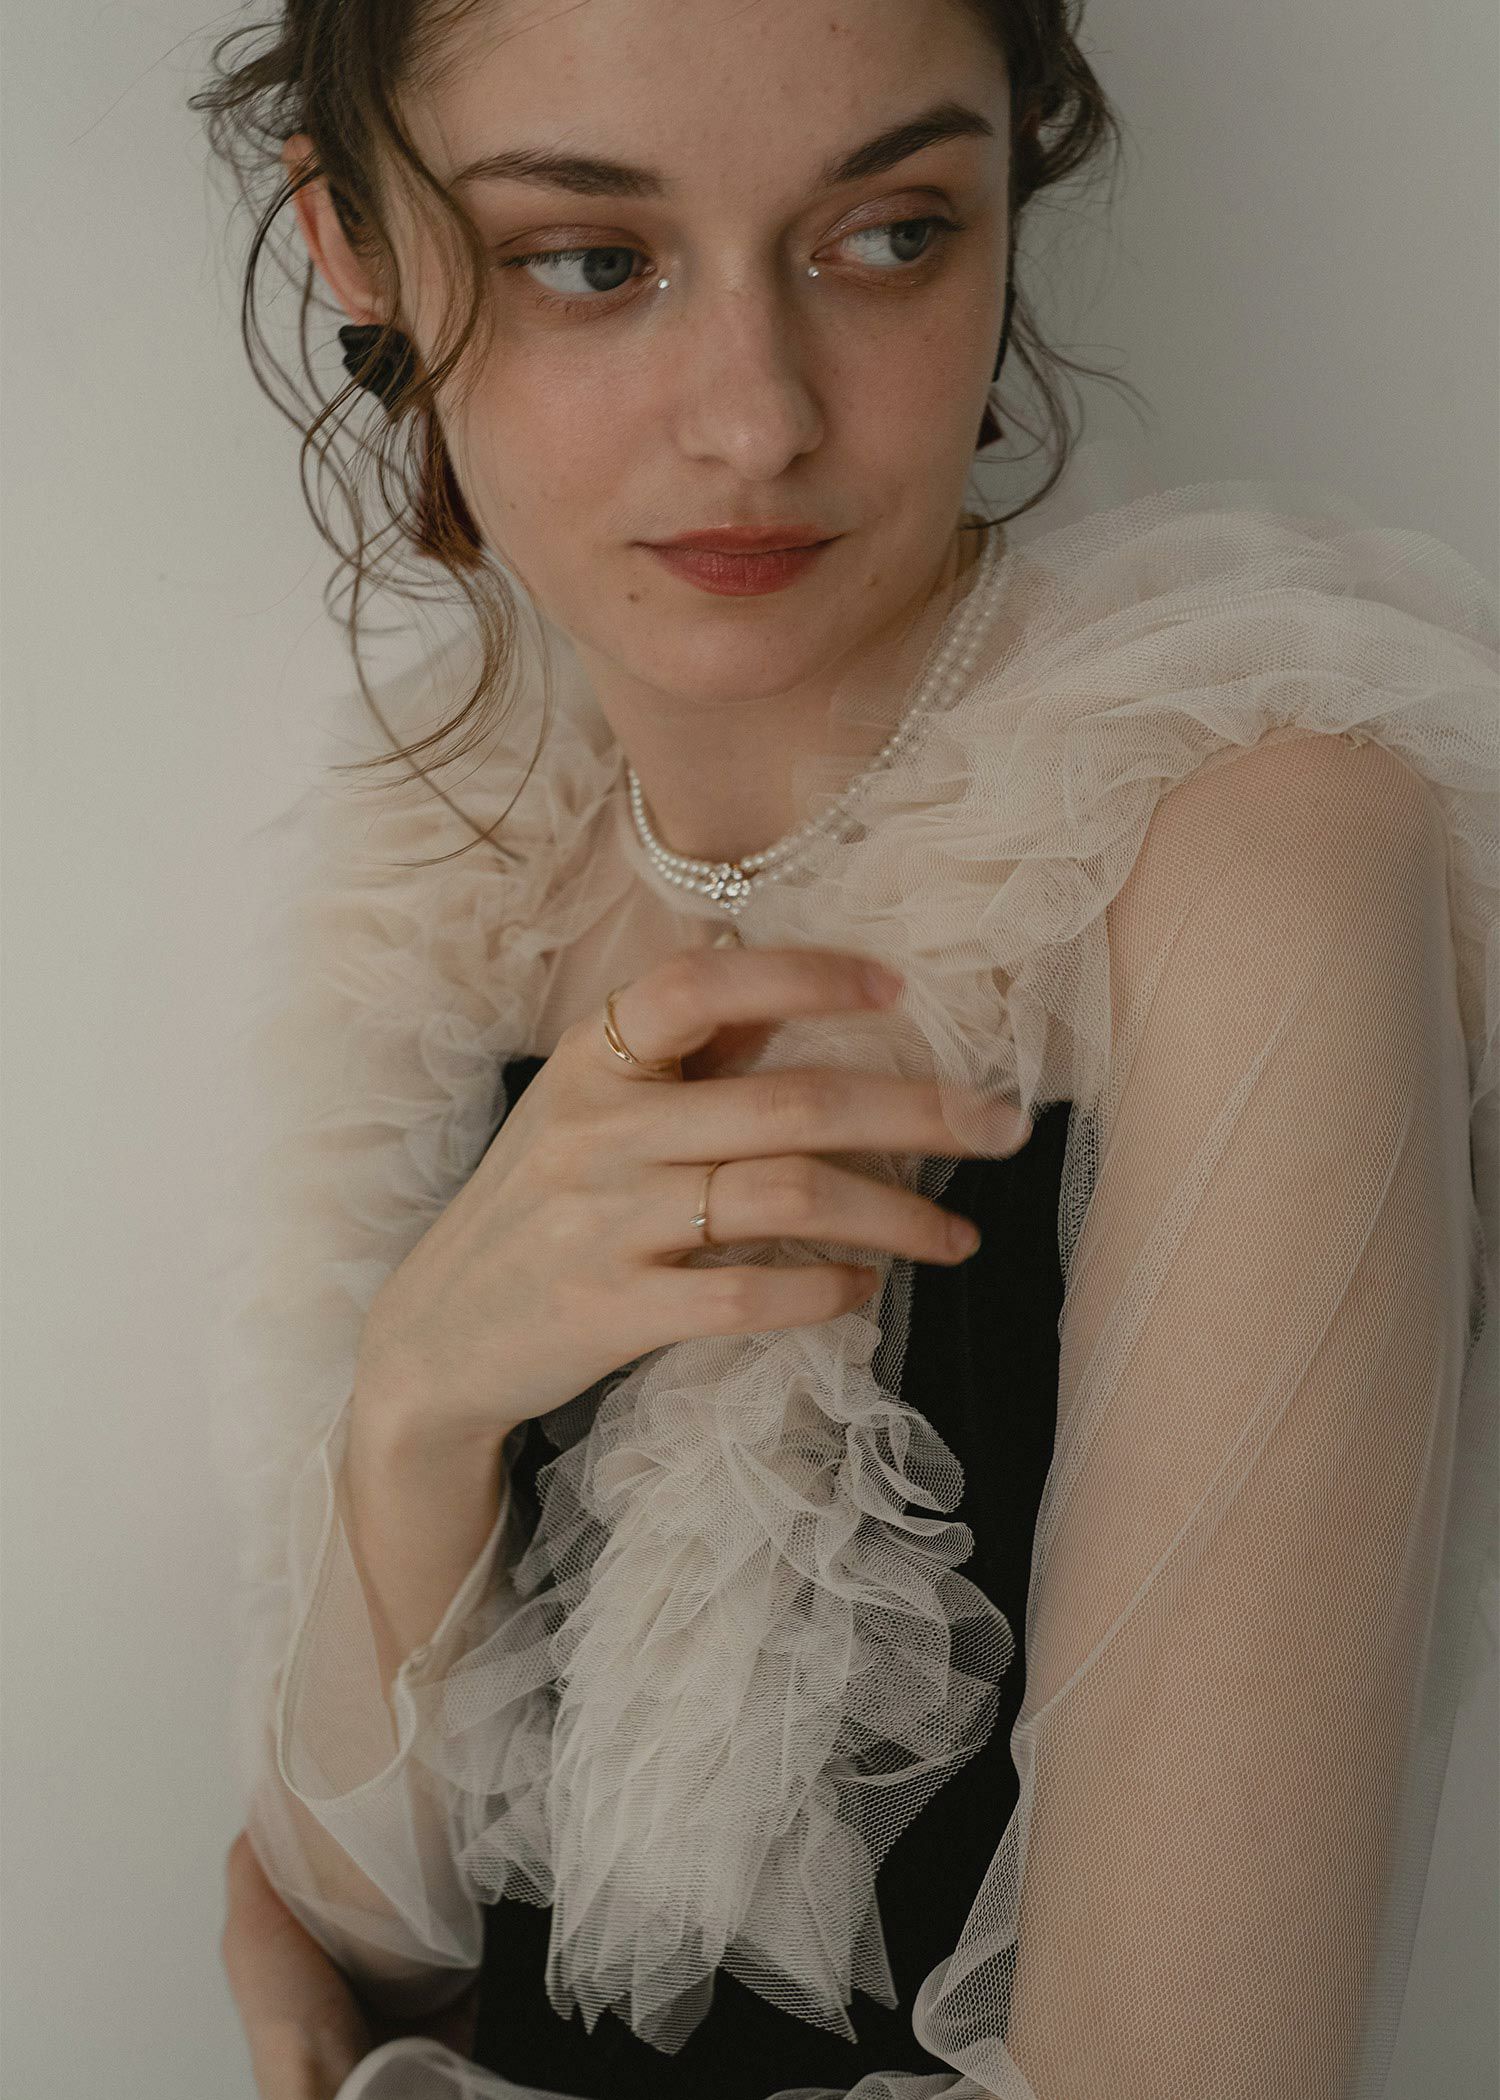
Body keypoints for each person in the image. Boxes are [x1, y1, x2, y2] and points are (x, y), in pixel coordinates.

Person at [192, 2, 1500, 2097]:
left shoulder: (1248, 861)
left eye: (890, 234)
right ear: (353, 241)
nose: (756, 420)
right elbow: (376, 1923)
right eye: (591, 259)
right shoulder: (456, 863)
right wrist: (420, 1405)